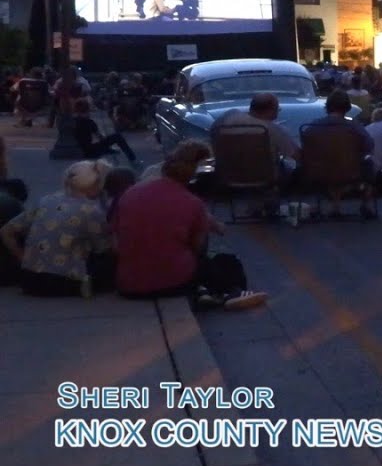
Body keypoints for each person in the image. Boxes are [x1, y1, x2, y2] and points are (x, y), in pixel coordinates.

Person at [114, 141, 266, 310]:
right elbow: (197, 248)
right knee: (226, 262)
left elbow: (115, 235)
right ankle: (233, 292)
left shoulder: (131, 193)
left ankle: (205, 292)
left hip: (128, 285)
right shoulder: (193, 203)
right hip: (173, 283)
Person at [1, 160, 113, 297]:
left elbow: (6, 231)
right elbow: (103, 247)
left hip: (29, 280)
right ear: (97, 184)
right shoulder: (91, 211)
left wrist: (22, 257)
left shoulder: (45, 200)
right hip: (63, 281)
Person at [305, 91, 377, 220]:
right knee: (368, 164)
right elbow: (369, 145)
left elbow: (306, 145)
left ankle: (335, 206)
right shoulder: (354, 126)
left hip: (319, 172)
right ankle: (365, 204)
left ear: (327, 106)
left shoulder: (313, 126)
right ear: (347, 107)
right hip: (350, 170)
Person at [212, 92, 301, 165]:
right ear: (271, 111)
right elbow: (298, 156)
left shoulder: (228, 117)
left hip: (227, 177)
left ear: (251, 107)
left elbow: (213, 135)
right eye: (278, 109)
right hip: (266, 178)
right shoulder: (274, 130)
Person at [71, 98, 139, 166]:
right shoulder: (89, 122)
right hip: (90, 151)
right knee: (117, 137)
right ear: (87, 110)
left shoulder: (73, 121)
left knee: (104, 145)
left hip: (80, 151)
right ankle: (132, 159)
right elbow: (100, 137)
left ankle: (108, 150)